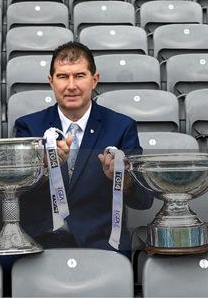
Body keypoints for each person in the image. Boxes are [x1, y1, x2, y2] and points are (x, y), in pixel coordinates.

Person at [14, 41, 154, 256]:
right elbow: (14, 192)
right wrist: (41, 167)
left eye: (79, 76)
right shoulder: (28, 126)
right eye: (62, 76)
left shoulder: (121, 127)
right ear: (51, 81)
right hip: (40, 243)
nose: (71, 85)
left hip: (102, 243)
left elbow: (144, 200)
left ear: (94, 79)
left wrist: (124, 181)